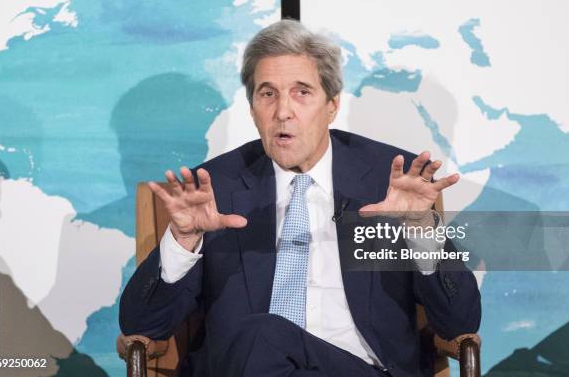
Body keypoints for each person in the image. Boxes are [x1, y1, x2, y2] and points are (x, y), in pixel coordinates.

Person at [119, 19, 481, 377]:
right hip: (247, 367)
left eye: (302, 92)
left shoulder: (389, 182)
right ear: (252, 110)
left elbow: (459, 321)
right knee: (261, 336)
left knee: (262, 333)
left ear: (332, 106)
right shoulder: (216, 189)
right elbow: (142, 326)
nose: (283, 111)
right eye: (267, 93)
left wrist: (420, 229)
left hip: (359, 369)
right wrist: (184, 240)